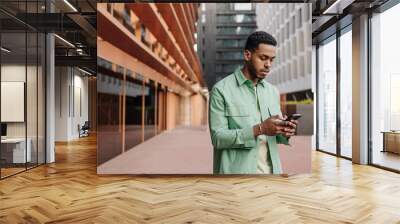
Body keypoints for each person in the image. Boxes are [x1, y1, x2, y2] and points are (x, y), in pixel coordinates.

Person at [209, 31, 298, 174]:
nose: (268, 64)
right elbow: (218, 138)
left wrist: (285, 131)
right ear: (247, 55)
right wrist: (260, 129)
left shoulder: (272, 91)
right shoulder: (221, 90)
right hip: (236, 178)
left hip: (272, 175)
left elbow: (274, 135)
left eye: (272, 59)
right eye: (263, 58)